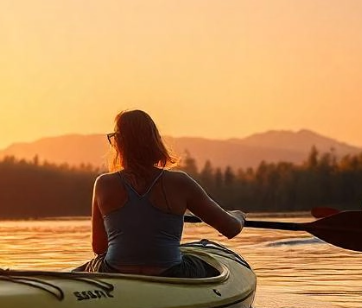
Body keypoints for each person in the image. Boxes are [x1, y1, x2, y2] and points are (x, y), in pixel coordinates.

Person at [77, 109, 245, 278]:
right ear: (154, 141)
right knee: (207, 264)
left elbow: (99, 248)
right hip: (171, 272)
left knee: (87, 267)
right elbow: (230, 228)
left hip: (115, 271)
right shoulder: (180, 183)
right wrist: (239, 216)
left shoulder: (104, 184)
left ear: (120, 142)